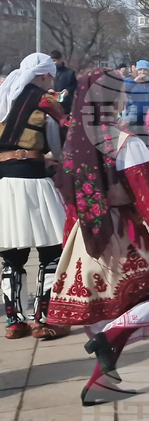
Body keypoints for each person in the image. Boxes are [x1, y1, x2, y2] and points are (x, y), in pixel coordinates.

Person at [47, 68, 149, 405]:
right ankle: (108, 344)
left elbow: (69, 195)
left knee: (105, 313)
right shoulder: (126, 142)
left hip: (84, 236)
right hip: (121, 233)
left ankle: (100, 382)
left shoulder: (76, 142)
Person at [0, 53, 69, 340]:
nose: (52, 80)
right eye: (50, 75)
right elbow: (62, 139)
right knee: (51, 250)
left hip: (5, 182)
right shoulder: (46, 101)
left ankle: (15, 321)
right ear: (42, 75)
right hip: (35, 180)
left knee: (11, 256)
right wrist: (55, 159)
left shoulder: (3, 95)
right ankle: (42, 319)